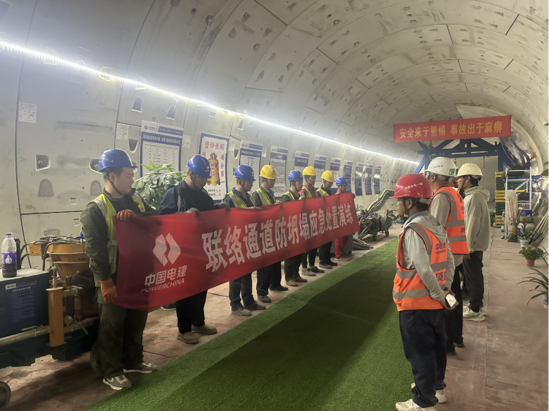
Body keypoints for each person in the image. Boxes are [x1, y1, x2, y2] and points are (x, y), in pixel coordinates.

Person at [80, 149, 158, 391]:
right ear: (111, 176)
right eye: (128, 176)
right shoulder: (96, 209)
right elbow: (95, 250)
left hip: (137, 273)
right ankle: (112, 371)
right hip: (113, 276)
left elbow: (156, 219)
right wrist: (105, 282)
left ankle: (133, 361)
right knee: (112, 324)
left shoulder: (136, 200)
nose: (132, 180)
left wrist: (138, 216)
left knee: (137, 319)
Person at [392, 174, 456, 411]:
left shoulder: (413, 230)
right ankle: (436, 389)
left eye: (399, 200)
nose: (397, 205)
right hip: (436, 305)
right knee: (437, 348)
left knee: (420, 353)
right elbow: (449, 259)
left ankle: (423, 402)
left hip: (415, 305)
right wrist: (445, 288)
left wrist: (438, 293)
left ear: (409, 202)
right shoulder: (435, 225)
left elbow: (423, 268)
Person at [159, 155, 227, 344]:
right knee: (186, 289)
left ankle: (198, 322)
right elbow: (163, 218)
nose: (205, 181)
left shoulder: (203, 193)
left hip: (202, 248)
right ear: (191, 174)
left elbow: (208, 212)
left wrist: (218, 208)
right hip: (183, 250)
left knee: (201, 287)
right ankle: (184, 329)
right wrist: (183, 215)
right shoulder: (175, 192)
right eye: (202, 178)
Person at [425, 157, 468, 354]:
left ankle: (448, 342)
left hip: (445, 256)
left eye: (428, 175)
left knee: (446, 297)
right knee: (454, 295)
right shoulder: (454, 193)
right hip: (455, 253)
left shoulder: (441, 197)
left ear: (433, 176)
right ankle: (457, 336)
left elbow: (436, 229)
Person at [223, 165, 266, 316]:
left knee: (247, 272)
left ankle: (248, 300)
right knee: (236, 274)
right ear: (240, 180)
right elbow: (224, 222)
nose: (251, 184)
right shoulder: (230, 198)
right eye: (249, 181)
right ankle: (235, 305)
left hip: (247, 241)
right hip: (235, 242)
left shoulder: (249, 197)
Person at [456, 163, 490, 321]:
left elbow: (473, 224)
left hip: (472, 246)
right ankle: (474, 304)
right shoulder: (472, 196)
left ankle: (475, 309)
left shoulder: (475, 197)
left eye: (460, 178)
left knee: (473, 277)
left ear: (468, 178)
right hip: (472, 245)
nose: (457, 180)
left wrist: (467, 247)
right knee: (472, 275)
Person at [251, 165, 288, 302]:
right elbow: (257, 214)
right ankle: (262, 291)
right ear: (264, 180)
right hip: (262, 234)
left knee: (275, 260)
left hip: (272, 232)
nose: (273, 182)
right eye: (271, 180)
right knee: (265, 264)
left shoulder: (271, 193)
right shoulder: (257, 195)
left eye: (274, 179)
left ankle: (275, 283)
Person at [280, 170, 307, 287]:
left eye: (301, 182)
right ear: (292, 183)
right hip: (290, 230)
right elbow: (287, 213)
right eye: (299, 182)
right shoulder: (286, 197)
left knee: (299, 253)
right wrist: (298, 203)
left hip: (299, 229)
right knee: (290, 255)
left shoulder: (299, 196)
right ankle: (289, 277)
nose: (301, 184)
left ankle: (296, 274)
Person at [299, 166, 324, 276]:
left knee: (314, 244)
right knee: (305, 246)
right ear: (306, 178)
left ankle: (312, 265)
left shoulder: (314, 190)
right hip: (305, 222)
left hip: (314, 221)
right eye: (311, 178)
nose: (314, 180)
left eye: (314, 177)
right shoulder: (303, 191)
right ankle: (304, 268)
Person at [316, 170, 338, 270]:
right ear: (324, 181)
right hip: (322, 220)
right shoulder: (319, 192)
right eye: (330, 182)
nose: (331, 184)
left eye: (332, 182)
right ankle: (322, 261)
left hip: (329, 220)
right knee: (323, 242)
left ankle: (327, 259)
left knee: (329, 242)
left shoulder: (329, 191)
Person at [334, 177, 351, 261]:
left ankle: (341, 253)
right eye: (344, 186)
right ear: (339, 186)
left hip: (343, 219)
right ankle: (338, 255)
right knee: (339, 238)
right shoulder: (336, 196)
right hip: (339, 220)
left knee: (345, 237)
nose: (345, 187)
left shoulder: (343, 195)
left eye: (346, 186)